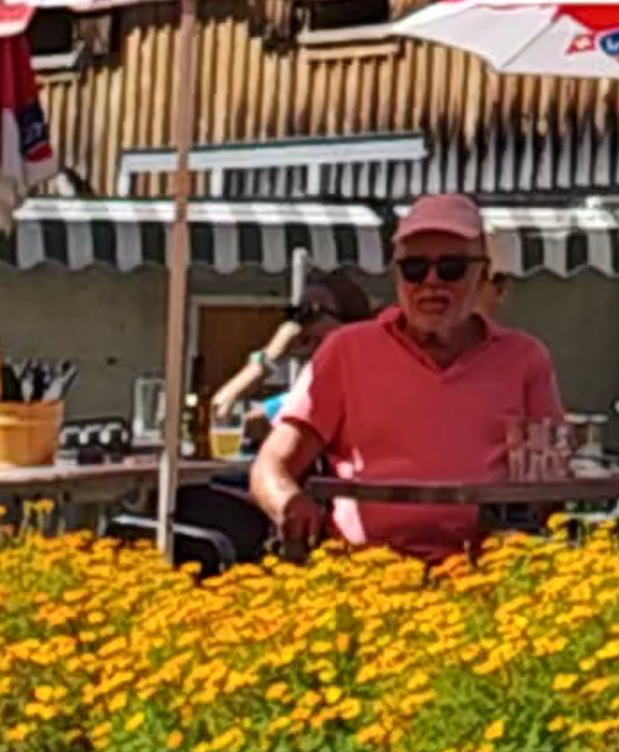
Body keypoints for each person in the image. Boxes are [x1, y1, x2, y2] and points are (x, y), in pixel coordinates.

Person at [250, 190, 563, 560]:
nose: (431, 282)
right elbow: (271, 465)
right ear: (396, 276)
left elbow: (551, 478)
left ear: (482, 275)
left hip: (486, 568)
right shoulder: (347, 350)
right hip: (365, 569)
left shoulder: (524, 358)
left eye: (451, 268)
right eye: (414, 269)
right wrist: (289, 503)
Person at [203, 261, 359, 460]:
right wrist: (269, 358)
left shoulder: (365, 384)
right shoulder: (305, 396)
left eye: (311, 312)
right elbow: (221, 414)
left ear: (347, 324)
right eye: (296, 313)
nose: (299, 325)